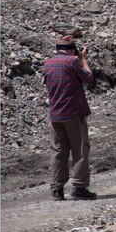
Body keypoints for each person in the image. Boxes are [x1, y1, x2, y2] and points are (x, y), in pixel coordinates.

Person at [43, 35, 97, 201]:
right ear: (72, 49)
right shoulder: (72, 62)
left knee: (58, 152)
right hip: (72, 114)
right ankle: (79, 187)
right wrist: (83, 60)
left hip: (55, 115)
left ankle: (57, 190)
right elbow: (88, 79)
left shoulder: (48, 63)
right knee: (80, 150)